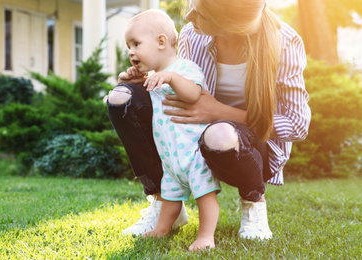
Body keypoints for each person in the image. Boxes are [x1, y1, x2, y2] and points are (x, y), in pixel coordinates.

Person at [106, 0, 310, 244]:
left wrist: (218, 112)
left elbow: (297, 124)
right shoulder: (194, 35)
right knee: (122, 98)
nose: (189, 17)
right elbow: (177, 80)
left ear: (229, 21)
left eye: (200, 13)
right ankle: (166, 202)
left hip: (250, 143)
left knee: (220, 133)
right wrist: (142, 80)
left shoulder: (284, 41)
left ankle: (253, 201)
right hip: (191, 137)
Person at [116, 9, 221, 252]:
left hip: (195, 154)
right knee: (171, 196)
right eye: (128, 46)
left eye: (136, 44)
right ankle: (161, 229)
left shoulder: (184, 68)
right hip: (170, 157)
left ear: (161, 41)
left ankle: (206, 236)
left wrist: (171, 78)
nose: (130, 51)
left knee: (205, 196)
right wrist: (128, 81)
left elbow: (194, 94)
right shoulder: (153, 77)